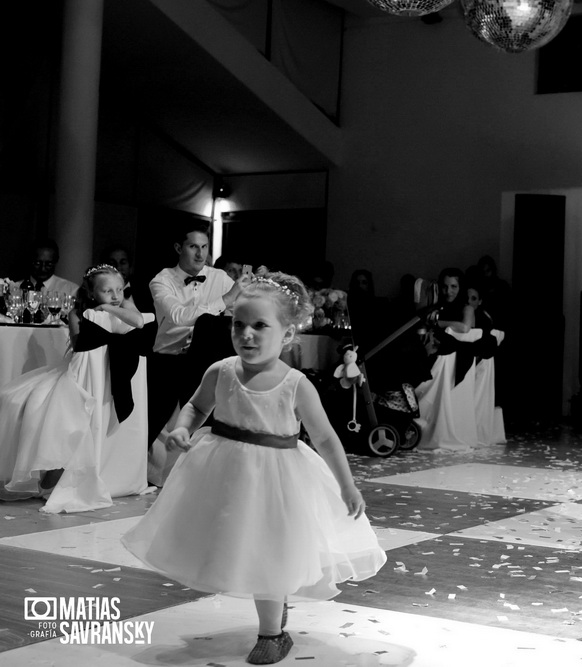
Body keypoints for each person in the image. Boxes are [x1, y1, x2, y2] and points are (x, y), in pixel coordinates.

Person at [121, 272, 386, 665]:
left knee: (270, 552)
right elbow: (196, 407)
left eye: (260, 326)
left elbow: (327, 439)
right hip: (225, 474)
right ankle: (272, 609)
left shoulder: (296, 384)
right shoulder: (222, 370)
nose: (247, 334)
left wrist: (347, 487)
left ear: (287, 335)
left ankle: (272, 634)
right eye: (238, 324)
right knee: (235, 546)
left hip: (278, 480)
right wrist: (181, 428)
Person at [0, 265, 149, 511]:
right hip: (80, 375)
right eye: (107, 291)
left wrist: (110, 308)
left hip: (113, 375)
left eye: (119, 290)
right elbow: (82, 347)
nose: (115, 295)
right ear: (92, 294)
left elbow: (139, 322)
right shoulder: (77, 314)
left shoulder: (124, 307)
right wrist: (99, 316)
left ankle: (69, 475)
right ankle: (52, 475)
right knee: (59, 417)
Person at [147, 222, 241, 452]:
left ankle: (202, 472)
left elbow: (242, 306)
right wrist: (227, 299)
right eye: (193, 247)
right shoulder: (162, 280)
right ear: (179, 248)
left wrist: (252, 287)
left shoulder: (219, 277)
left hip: (204, 360)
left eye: (205, 247)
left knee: (206, 421)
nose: (201, 254)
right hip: (168, 359)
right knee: (153, 420)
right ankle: (136, 477)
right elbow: (179, 316)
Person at [106, 246, 153, 313]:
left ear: (130, 266)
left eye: (123, 263)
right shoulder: (100, 292)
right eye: (112, 263)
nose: (118, 267)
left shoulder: (144, 291)